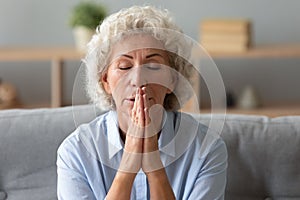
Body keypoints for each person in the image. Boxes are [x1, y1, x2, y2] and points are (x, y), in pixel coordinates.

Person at [57, 5, 227, 200]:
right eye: (124, 66)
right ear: (106, 82)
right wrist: (128, 165)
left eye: (153, 66)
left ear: (173, 79)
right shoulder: (75, 151)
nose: (138, 79)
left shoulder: (207, 149)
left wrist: (155, 170)